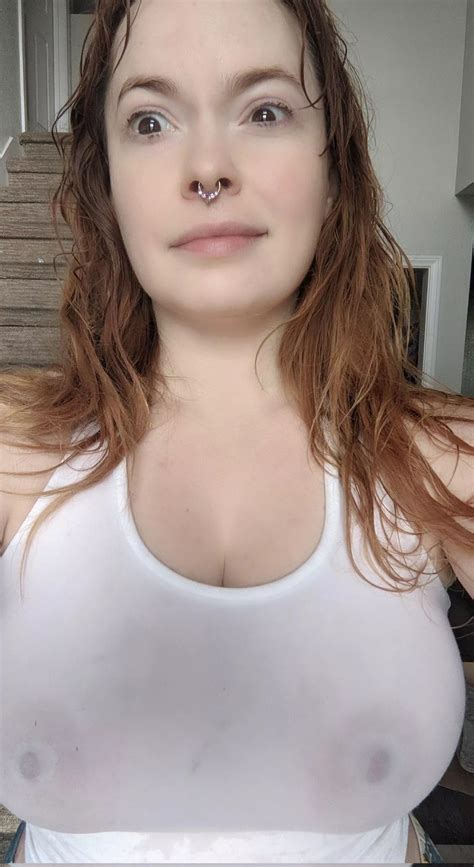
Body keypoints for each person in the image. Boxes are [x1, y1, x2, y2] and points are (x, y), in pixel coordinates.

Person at [1, 0, 473, 863]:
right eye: (151, 120)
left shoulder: (444, 457)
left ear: (335, 169)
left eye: (264, 110)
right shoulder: (13, 453)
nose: (209, 169)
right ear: (106, 186)